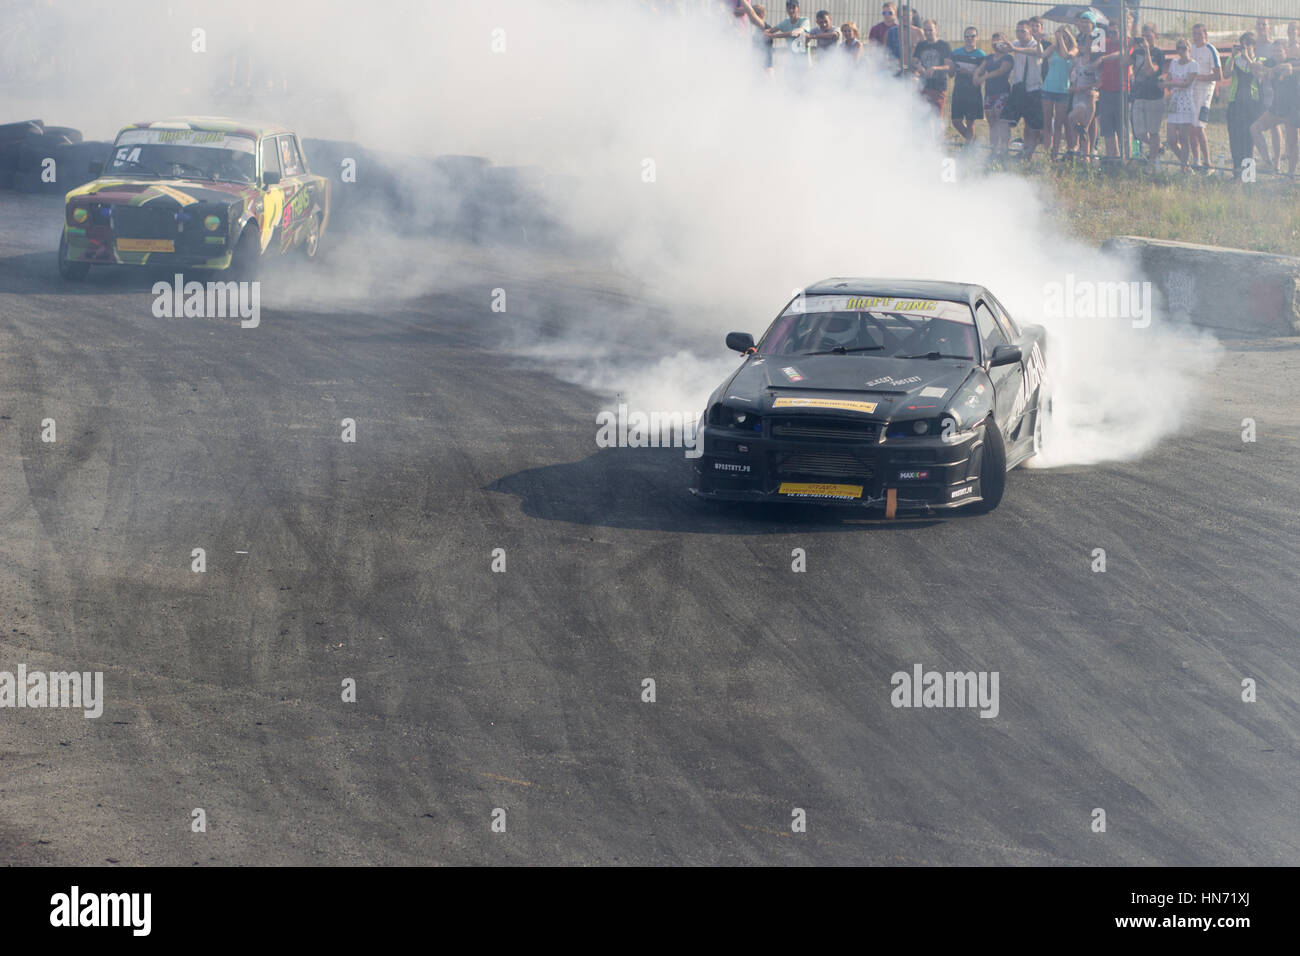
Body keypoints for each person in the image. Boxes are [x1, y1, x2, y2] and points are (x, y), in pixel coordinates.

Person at [997, 20, 1046, 160]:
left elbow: (1036, 52)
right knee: (1004, 120)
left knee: (1032, 125)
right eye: (1017, 31)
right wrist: (1001, 45)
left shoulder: (1036, 44)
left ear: (1030, 32)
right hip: (1018, 89)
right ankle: (1004, 151)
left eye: (1022, 31)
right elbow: (1003, 47)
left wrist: (1014, 49)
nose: (1019, 34)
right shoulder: (1015, 43)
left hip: (1033, 89)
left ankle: (1028, 154)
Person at [1095, 25, 1135, 162]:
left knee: (1123, 127)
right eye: (1109, 32)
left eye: (1114, 32)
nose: (1111, 35)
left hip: (1121, 90)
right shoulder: (1104, 43)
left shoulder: (1126, 42)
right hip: (1105, 90)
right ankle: (1113, 158)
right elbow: (1093, 51)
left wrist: (1104, 58)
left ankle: (1128, 158)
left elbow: (1122, 53)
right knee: (1107, 128)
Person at [1188, 23, 1223, 172]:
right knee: (1191, 126)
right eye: (1194, 34)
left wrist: (1200, 77)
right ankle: (1196, 161)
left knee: (1199, 127)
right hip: (1192, 91)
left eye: (1199, 34)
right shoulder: (1192, 48)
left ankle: (1208, 162)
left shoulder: (1211, 50)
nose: (1196, 37)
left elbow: (1218, 75)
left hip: (1205, 92)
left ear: (1205, 35)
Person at [1131, 25, 1168, 163]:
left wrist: (1147, 50)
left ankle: (1152, 161)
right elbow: (1123, 63)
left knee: (1153, 131)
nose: (1146, 38)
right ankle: (1158, 147)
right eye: (1143, 35)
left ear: (1155, 35)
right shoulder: (1136, 52)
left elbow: (1151, 71)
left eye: (1149, 35)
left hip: (1154, 96)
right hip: (1139, 95)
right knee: (1138, 132)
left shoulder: (1158, 53)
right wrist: (1129, 46)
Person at [1162, 38, 1200, 171]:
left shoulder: (1193, 64)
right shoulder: (1173, 63)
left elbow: (1187, 83)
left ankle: (1184, 168)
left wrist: (1170, 84)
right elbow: (1168, 78)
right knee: (1171, 139)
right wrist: (1166, 84)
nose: (1181, 51)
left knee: (1184, 137)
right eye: (1178, 48)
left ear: (1189, 49)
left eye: (1183, 48)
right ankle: (1186, 163)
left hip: (1186, 102)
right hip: (1174, 102)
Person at [975, 32, 1014, 161]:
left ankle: (1004, 148)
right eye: (994, 41)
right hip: (990, 92)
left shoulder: (1008, 58)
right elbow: (981, 68)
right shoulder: (989, 57)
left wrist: (984, 77)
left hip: (1002, 92)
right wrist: (976, 75)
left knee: (1000, 118)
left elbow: (1001, 71)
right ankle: (993, 148)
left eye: (999, 41)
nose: (996, 44)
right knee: (991, 119)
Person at [1041, 27, 1077, 160]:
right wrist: (1039, 41)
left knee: (1059, 123)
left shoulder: (1074, 49)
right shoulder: (1052, 48)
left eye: (1066, 35)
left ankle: (1055, 153)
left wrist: (1061, 40)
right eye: (1061, 35)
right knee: (1046, 122)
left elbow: (1066, 55)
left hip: (1063, 90)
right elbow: (1042, 55)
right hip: (1048, 88)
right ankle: (1046, 151)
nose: (1063, 37)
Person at [950, 26, 986, 145]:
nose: (969, 38)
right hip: (958, 90)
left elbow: (982, 77)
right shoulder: (956, 53)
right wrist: (950, 68)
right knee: (955, 121)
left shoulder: (981, 55)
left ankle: (969, 146)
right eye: (967, 36)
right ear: (963, 38)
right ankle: (972, 141)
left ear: (977, 38)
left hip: (973, 92)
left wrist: (969, 73)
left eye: (972, 36)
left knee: (971, 121)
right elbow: (950, 74)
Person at [912, 19, 953, 117]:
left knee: (936, 118)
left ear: (936, 30)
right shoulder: (921, 45)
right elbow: (914, 60)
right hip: (923, 87)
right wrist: (919, 66)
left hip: (938, 88)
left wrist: (935, 68)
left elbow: (949, 66)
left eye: (930, 30)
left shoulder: (944, 46)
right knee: (922, 118)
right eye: (925, 30)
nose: (927, 33)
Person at [1067, 45, 1100, 162]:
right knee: (1081, 127)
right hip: (1077, 98)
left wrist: (1085, 88)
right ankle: (1085, 156)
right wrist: (1074, 88)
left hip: (1088, 99)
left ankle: (1078, 146)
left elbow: (1099, 82)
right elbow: (1071, 84)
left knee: (1073, 118)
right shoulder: (1077, 64)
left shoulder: (1095, 64)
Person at [767, 1, 812, 76]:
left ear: (798, 8)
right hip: (791, 63)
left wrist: (775, 36)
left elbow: (797, 32)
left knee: (804, 86)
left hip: (804, 63)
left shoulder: (804, 20)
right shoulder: (785, 22)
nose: (791, 10)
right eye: (789, 8)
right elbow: (771, 30)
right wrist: (765, 33)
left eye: (793, 7)